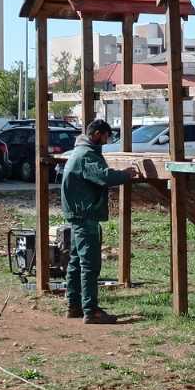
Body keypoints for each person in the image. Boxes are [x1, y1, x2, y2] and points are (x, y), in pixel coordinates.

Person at [59, 117, 139, 323]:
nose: (107, 140)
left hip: (77, 215)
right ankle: (91, 310)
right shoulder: (87, 155)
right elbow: (104, 177)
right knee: (90, 264)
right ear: (96, 135)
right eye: (106, 136)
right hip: (85, 216)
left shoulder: (80, 152)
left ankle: (73, 306)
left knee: (76, 262)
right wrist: (126, 174)